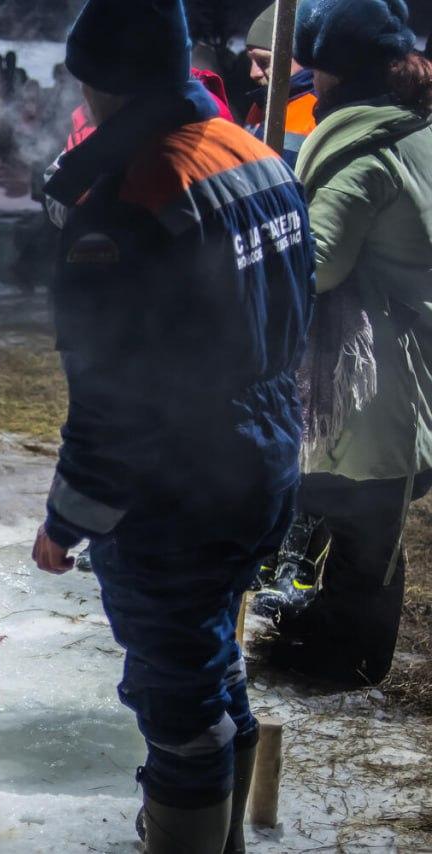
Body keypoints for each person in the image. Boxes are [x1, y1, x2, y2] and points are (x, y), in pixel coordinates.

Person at [33, 0, 313, 850]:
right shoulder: (254, 151)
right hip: (263, 456)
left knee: (177, 697)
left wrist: (68, 519)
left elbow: (114, 397)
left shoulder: (127, 201)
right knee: (213, 659)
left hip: (182, 480)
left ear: (96, 80)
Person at [264, 0, 431, 686]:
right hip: (411, 356)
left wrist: (273, 210)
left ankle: (343, 665)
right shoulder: (418, 129)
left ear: (335, 78)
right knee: (373, 531)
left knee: (358, 535)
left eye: (314, 73)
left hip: (368, 373)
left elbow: (318, 265)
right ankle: (344, 648)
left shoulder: (364, 159)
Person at [243, 2, 318, 167]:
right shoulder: (260, 104)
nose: (253, 73)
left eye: (264, 61)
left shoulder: (319, 111)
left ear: (300, 56)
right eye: (251, 61)